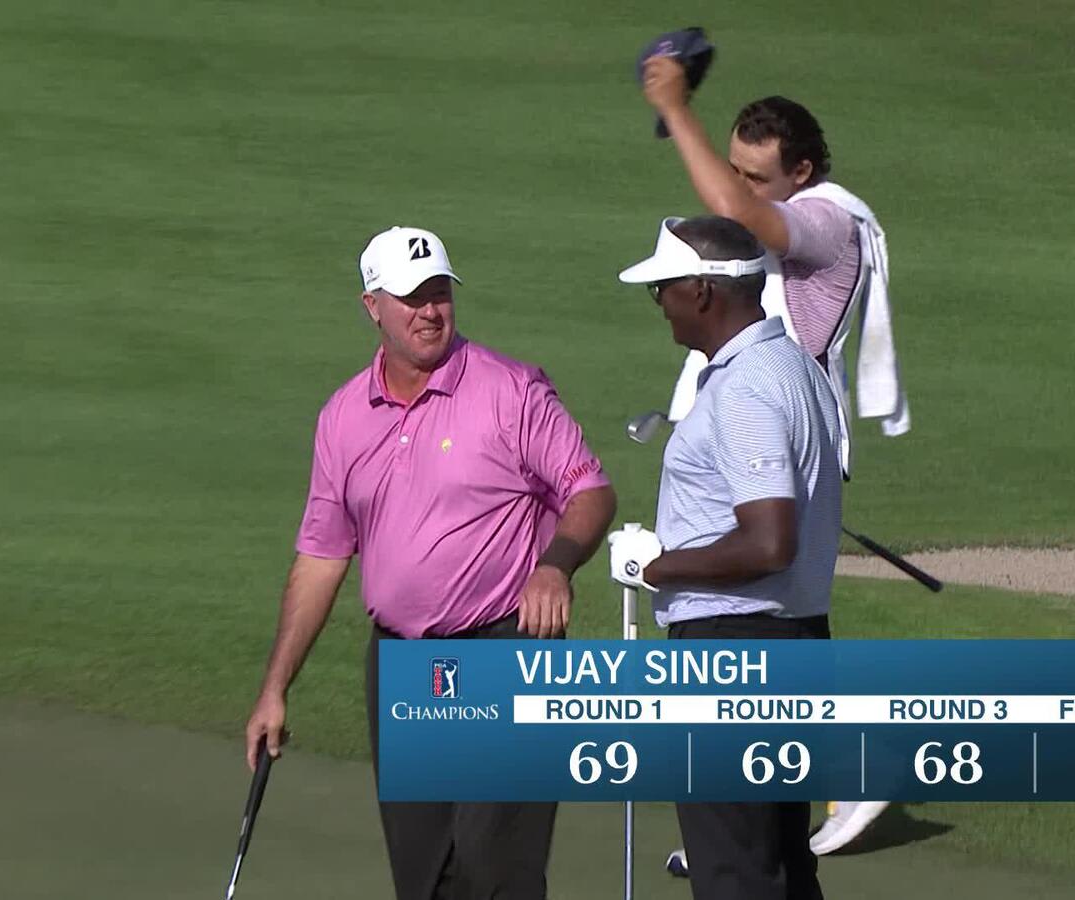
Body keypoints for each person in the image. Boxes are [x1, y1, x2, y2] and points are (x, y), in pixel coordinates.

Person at [242, 225, 616, 900]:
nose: (430, 309)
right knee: (427, 877)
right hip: (407, 666)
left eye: (440, 291)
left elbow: (589, 491)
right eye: (412, 295)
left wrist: (555, 564)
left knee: (497, 867)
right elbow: (322, 558)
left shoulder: (512, 390)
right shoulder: (342, 418)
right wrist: (276, 687)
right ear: (372, 306)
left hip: (507, 651)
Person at [640, 53, 901, 857]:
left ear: (803, 171)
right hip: (764, 433)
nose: (741, 188)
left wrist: (673, 106)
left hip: (773, 438)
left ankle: (833, 776)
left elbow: (734, 224)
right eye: (735, 169)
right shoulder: (786, 231)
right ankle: (749, 822)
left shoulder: (825, 221)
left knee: (760, 617)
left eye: (757, 176)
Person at [608, 215, 843, 900]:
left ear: (704, 292)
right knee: (781, 862)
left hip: (734, 653)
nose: (661, 305)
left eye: (664, 290)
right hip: (795, 644)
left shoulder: (744, 386)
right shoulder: (797, 367)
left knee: (734, 869)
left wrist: (657, 566)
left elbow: (769, 541)